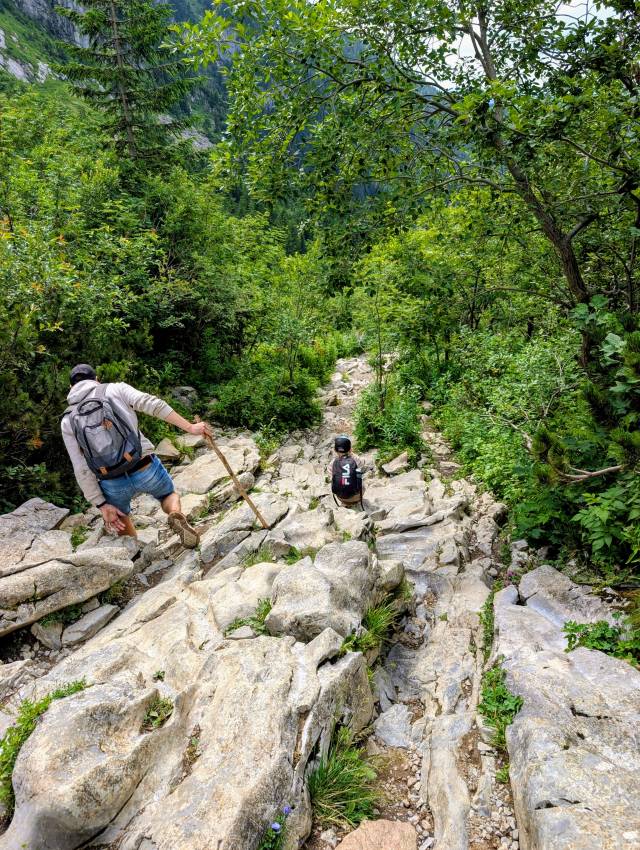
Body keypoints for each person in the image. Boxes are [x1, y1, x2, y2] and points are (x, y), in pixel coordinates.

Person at [61, 363, 212, 548]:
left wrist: (101, 505)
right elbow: (154, 405)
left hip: (111, 480)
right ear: (96, 379)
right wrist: (190, 427)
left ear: (71, 388)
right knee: (167, 495)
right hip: (144, 466)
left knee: (120, 516)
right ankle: (174, 514)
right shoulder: (115, 389)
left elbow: (81, 467)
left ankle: (137, 554)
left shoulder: (68, 420)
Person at [330, 435, 364, 508]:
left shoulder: (332, 463)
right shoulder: (356, 460)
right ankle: (356, 502)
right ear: (350, 449)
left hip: (341, 497)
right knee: (360, 477)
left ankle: (344, 503)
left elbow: (333, 479)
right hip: (356, 496)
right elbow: (363, 464)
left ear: (335, 450)